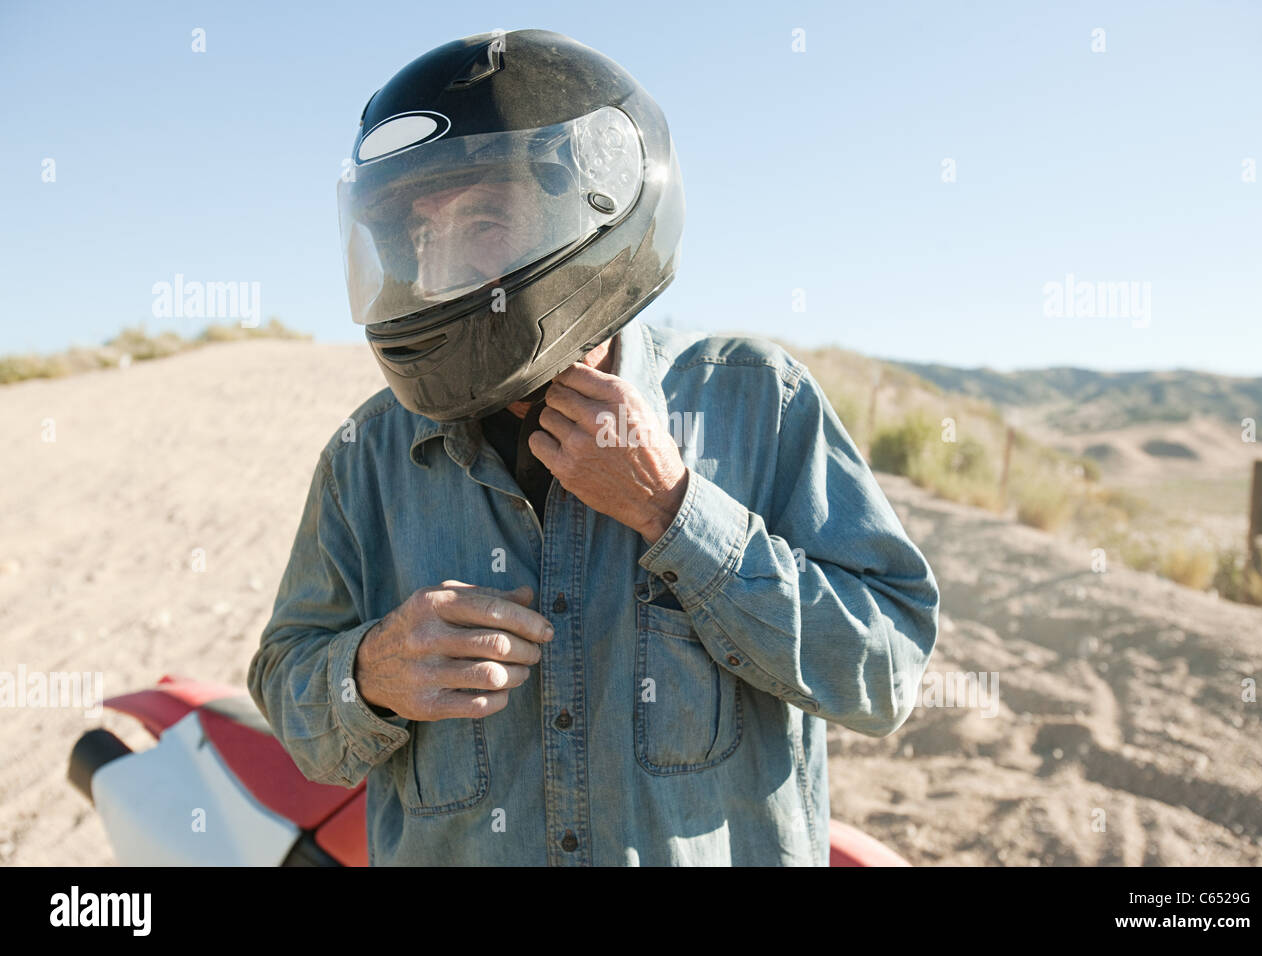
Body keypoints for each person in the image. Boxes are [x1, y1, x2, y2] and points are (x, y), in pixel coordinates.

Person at [247, 28, 940, 866]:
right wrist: (370, 676)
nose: (435, 267)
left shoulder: (755, 400)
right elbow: (289, 692)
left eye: (483, 221)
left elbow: (886, 672)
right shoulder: (369, 458)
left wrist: (676, 513)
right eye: (418, 236)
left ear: (594, 208)